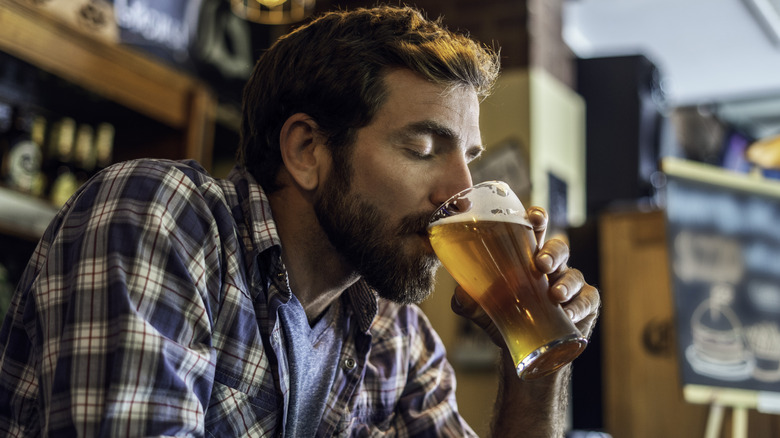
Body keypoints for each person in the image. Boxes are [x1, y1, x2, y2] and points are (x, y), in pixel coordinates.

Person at [0, 5, 600, 437]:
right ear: (307, 150)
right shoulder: (162, 215)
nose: (459, 193)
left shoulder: (395, 334)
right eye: (422, 148)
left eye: (467, 159)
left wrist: (534, 368)